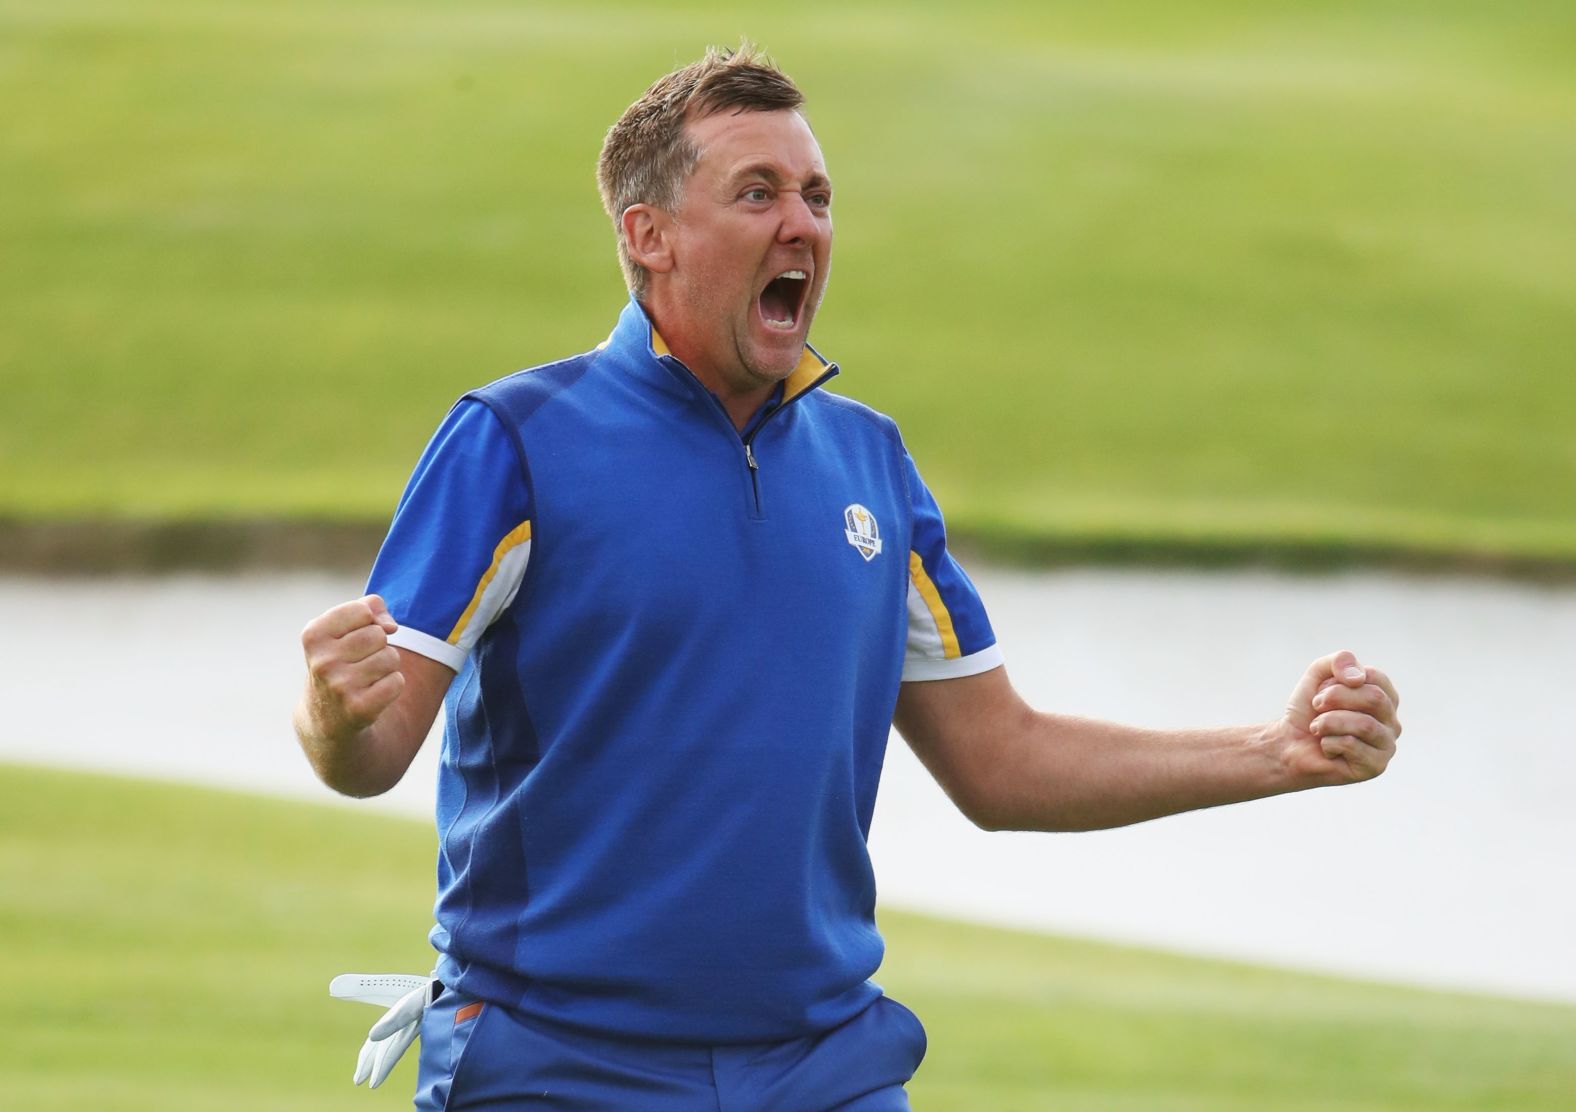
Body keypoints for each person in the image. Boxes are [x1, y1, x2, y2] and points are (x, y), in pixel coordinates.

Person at [294, 44, 1401, 1111]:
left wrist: (1274, 750)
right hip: (562, 1066)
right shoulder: (516, 439)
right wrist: (332, 713)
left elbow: (1000, 761)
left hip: (821, 1067)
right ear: (651, 237)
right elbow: (371, 752)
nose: (801, 224)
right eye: (758, 191)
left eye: (817, 196)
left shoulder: (870, 461)